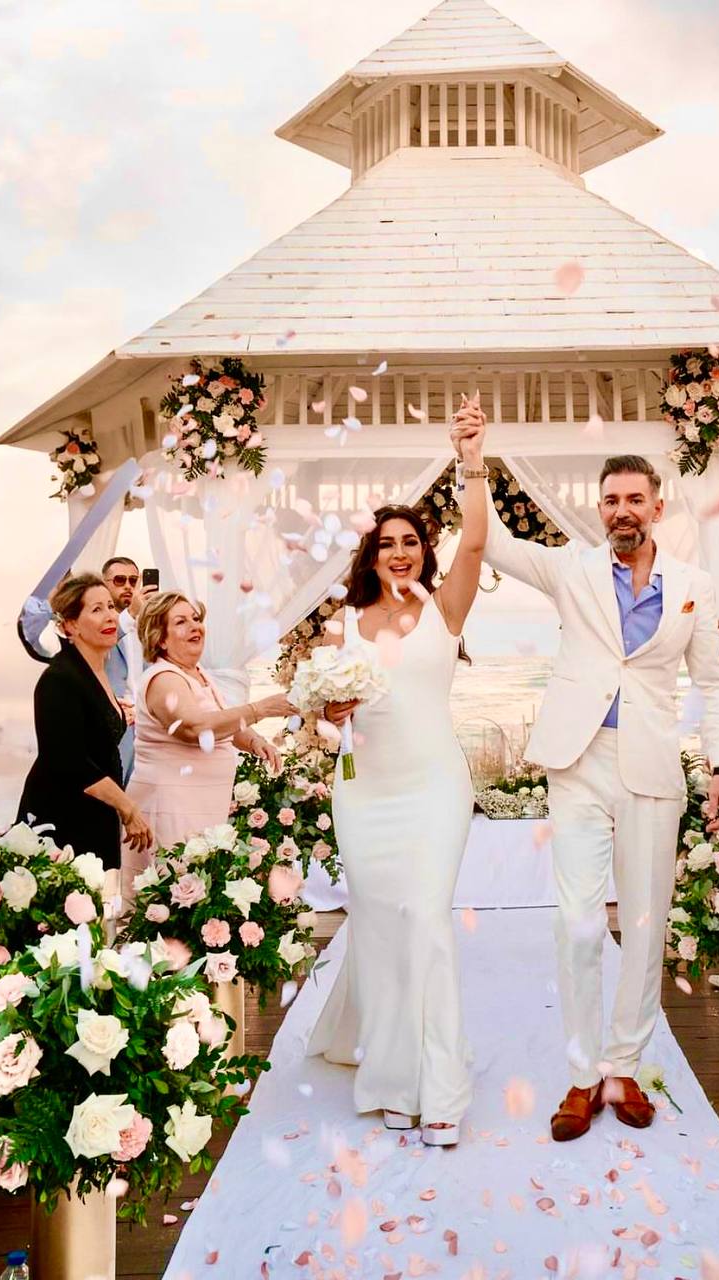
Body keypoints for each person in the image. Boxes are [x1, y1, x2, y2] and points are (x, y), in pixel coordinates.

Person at [466, 434, 719, 1142]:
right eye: (611, 500)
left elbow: (710, 683)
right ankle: (582, 1075)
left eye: (635, 499)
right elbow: (488, 541)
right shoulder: (571, 571)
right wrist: (473, 461)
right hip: (578, 759)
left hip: (651, 767)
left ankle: (623, 1067)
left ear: (657, 506)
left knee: (644, 924)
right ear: (599, 507)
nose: (623, 510)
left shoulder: (694, 586)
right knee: (579, 921)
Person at [306, 397, 489, 1148]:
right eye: (387, 543)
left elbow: (476, 545)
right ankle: (388, 1075)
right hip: (364, 792)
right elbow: (314, 715)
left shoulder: (446, 609)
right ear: (370, 554)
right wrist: (329, 719)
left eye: (411, 540)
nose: (400, 552)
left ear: (424, 548)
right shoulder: (341, 623)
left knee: (427, 921)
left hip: (433, 786)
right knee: (380, 927)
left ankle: (441, 1088)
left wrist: (471, 461)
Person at [122, 592, 289, 879]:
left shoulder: (197, 673)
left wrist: (254, 741)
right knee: (171, 892)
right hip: (171, 808)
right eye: (181, 622)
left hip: (202, 806)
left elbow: (221, 721)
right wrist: (259, 709)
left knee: (198, 888)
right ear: (160, 638)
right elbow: (195, 728)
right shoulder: (164, 678)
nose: (195, 627)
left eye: (196, 619)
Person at [17, 574, 153, 869]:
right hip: (60, 818)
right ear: (69, 626)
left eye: (110, 607)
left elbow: (90, 730)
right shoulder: (60, 679)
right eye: (96, 610)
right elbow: (70, 762)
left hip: (95, 812)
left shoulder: (98, 671)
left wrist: (118, 715)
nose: (110, 617)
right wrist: (127, 807)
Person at [101, 555, 157, 782]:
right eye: (119, 580)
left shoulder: (146, 625)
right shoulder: (98, 622)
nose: (128, 586)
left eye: (133, 581)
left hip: (147, 726)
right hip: (113, 725)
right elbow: (94, 648)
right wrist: (130, 615)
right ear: (103, 583)